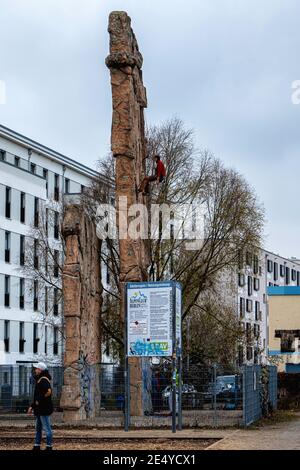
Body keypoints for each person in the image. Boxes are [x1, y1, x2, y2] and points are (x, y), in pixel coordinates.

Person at [27, 362, 53, 451]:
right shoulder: (40, 379)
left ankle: (49, 446)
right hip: (40, 408)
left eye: (37, 369)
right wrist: (32, 405)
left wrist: (39, 400)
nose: (35, 370)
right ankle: (37, 445)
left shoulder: (43, 380)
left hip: (44, 409)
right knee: (38, 428)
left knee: (47, 428)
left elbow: (49, 391)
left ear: (40, 370)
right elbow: (37, 395)